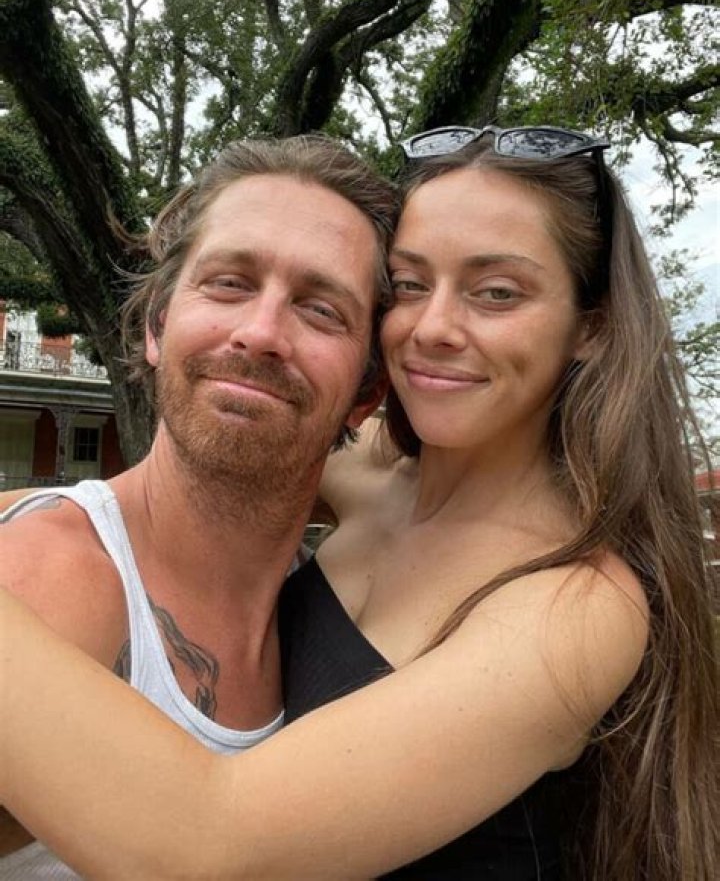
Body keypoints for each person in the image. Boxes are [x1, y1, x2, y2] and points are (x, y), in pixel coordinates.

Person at [1, 126, 717, 880]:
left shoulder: (576, 600)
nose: (434, 328)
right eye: (410, 285)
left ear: (591, 327)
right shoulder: (375, 473)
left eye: (497, 292)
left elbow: (214, 844)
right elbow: (244, 440)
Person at [0, 135, 397, 876]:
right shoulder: (47, 581)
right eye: (228, 283)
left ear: (368, 390)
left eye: (320, 310)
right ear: (157, 325)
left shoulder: (343, 614)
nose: (261, 332)